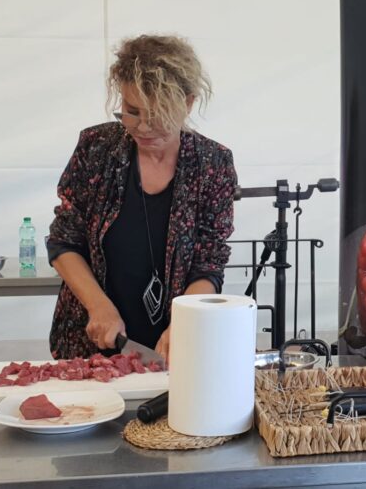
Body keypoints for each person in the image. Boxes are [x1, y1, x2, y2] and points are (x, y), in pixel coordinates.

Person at [46, 34, 237, 362]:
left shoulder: (212, 163)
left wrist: (185, 322)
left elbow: (209, 263)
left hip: (171, 344)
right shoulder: (97, 147)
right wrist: (98, 306)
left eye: (158, 114)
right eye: (132, 111)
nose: (143, 127)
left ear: (188, 103)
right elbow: (64, 243)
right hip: (91, 341)